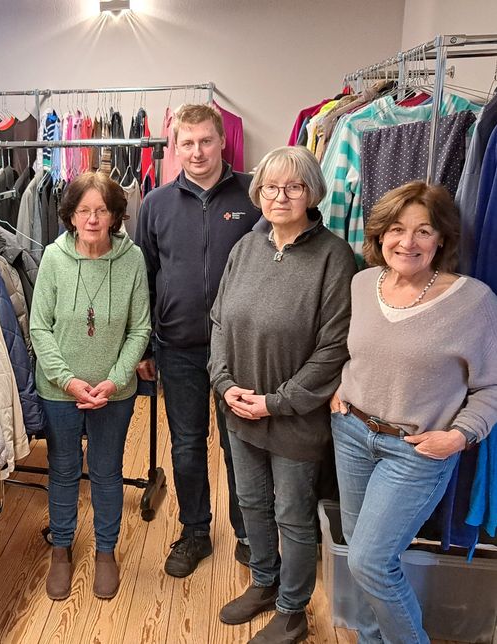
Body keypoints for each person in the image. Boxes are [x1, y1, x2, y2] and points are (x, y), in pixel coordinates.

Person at [330, 181, 497, 644]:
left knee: (371, 561)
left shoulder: (473, 300)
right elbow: (361, 353)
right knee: (358, 554)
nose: (408, 241)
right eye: (397, 229)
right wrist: (340, 388)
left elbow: (491, 385)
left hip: (416, 451)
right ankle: (370, 639)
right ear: (380, 234)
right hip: (351, 432)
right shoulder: (363, 283)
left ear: (441, 238)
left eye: (423, 230)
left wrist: (460, 435)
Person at [209, 146, 356, 643]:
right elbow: (218, 322)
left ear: (312, 193)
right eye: (270, 187)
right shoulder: (245, 247)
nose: (280, 196)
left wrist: (277, 402)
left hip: (294, 416)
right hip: (238, 406)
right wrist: (224, 383)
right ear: (258, 192)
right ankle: (264, 583)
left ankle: (293, 610)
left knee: (292, 515)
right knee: (251, 502)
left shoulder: (334, 256)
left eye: (294, 187)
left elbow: (335, 347)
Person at [134, 103, 261, 577]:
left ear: (222, 140)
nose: (197, 151)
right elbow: (145, 277)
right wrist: (146, 346)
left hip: (239, 349)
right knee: (187, 445)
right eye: (187, 143)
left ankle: (248, 532)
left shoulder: (254, 195)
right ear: (175, 147)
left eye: (206, 140)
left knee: (239, 443)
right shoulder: (155, 204)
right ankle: (194, 532)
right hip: (178, 346)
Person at [31, 171, 150, 601]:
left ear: (116, 216)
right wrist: (68, 380)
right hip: (59, 390)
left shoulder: (132, 260)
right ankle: (60, 550)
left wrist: (115, 380)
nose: (93, 219)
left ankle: (105, 551)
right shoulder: (53, 257)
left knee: (106, 470)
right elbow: (39, 327)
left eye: (101, 210)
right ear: (71, 215)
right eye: (84, 210)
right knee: (63, 469)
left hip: (113, 393)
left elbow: (140, 328)